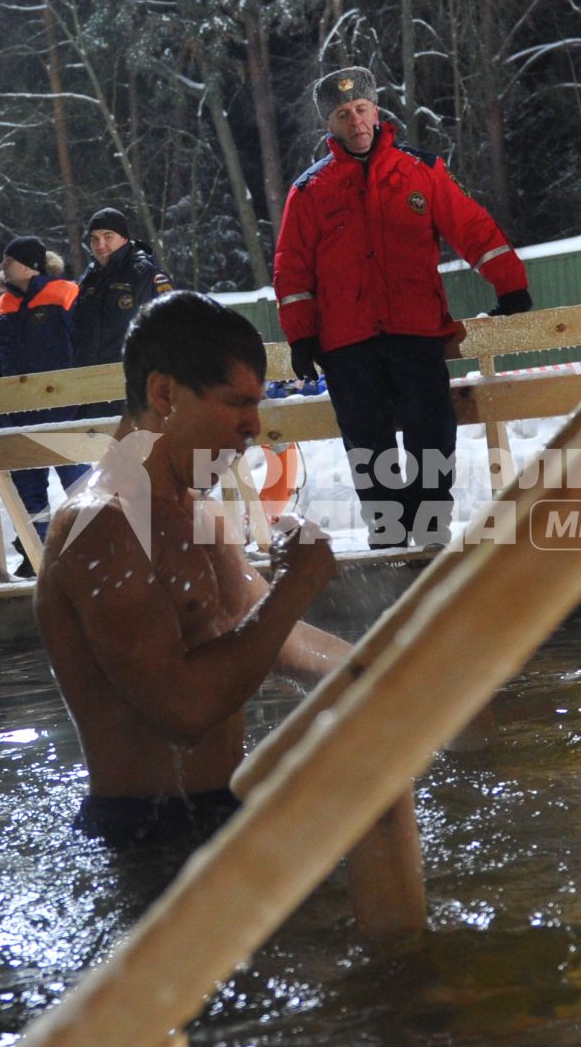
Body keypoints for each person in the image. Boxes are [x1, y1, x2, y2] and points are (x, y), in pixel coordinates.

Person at [36, 292, 348, 849]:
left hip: (217, 810)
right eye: (237, 402)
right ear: (164, 394)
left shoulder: (192, 508)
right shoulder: (101, 525)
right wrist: (295, 587)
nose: (255, 425)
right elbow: (185, 709)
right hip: (149, 832)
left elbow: (277, 641)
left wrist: (386, 672)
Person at [274, 66, 532, 548]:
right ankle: (389, 537)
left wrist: (510, 285)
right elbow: (291, 272)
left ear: (376, 109)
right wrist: (301, 335)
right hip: (347, 344)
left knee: (431, 431)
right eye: (343, 114)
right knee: (367, 441)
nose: (356, 121)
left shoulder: (421, 170)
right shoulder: (309, 191)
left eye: (362, 109)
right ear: (329, 125)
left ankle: (431, 529)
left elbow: (472, 229)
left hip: (416, 332)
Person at [0, 235, 90, 575]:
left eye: (8, 260)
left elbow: (85, 345)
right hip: (19, 416)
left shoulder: (65, 293)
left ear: (28, 265)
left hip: (64, 410)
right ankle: (37, 552)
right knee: (29, 493)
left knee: (79, 485)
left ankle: (91, 549)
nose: (3, 266)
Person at [71, 207, 180, 419]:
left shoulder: (145, 274)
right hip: (91, 390)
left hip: (136, 390)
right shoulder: (89, 279)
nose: (100, 245)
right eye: (94, 239)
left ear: (124, 238)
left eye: (107, 237)